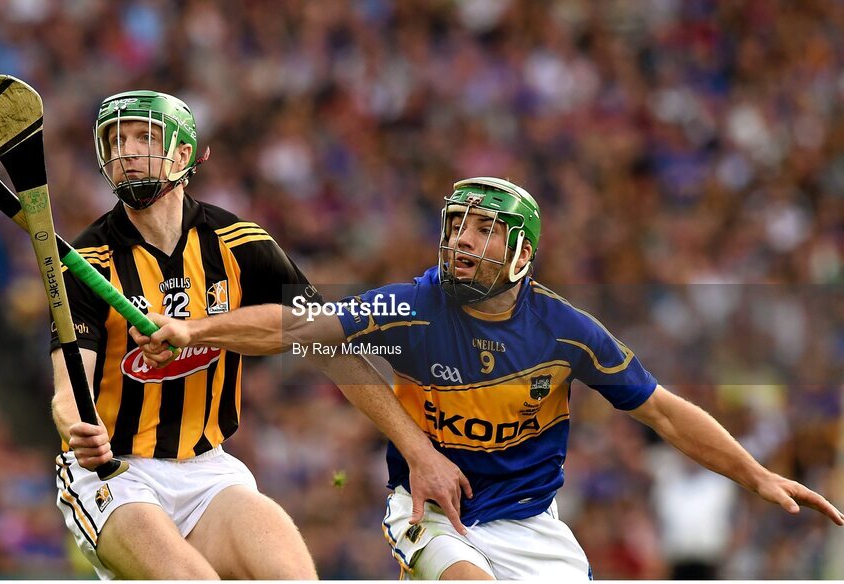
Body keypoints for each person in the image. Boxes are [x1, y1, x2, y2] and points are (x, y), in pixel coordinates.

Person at [132, 176, 844, 580]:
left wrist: (756, 476)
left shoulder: (565, 330)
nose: (462, 241)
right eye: (456, 225)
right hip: (436, 516)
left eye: (483, 230)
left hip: (534, 526)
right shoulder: (414, 304)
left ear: (523, 252)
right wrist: (195, 330)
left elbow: (662, 412)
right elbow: (297, 327)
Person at [50, 91, 470, 579]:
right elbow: (68, 389)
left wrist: (420, 453)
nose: (126, 151)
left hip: (208, 471)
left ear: (183, 155)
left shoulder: (238, 243)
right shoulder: (86, 263)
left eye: (144, 137)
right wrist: (78, 427)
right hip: (115, 475)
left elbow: (329, 344)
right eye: (115, 140)